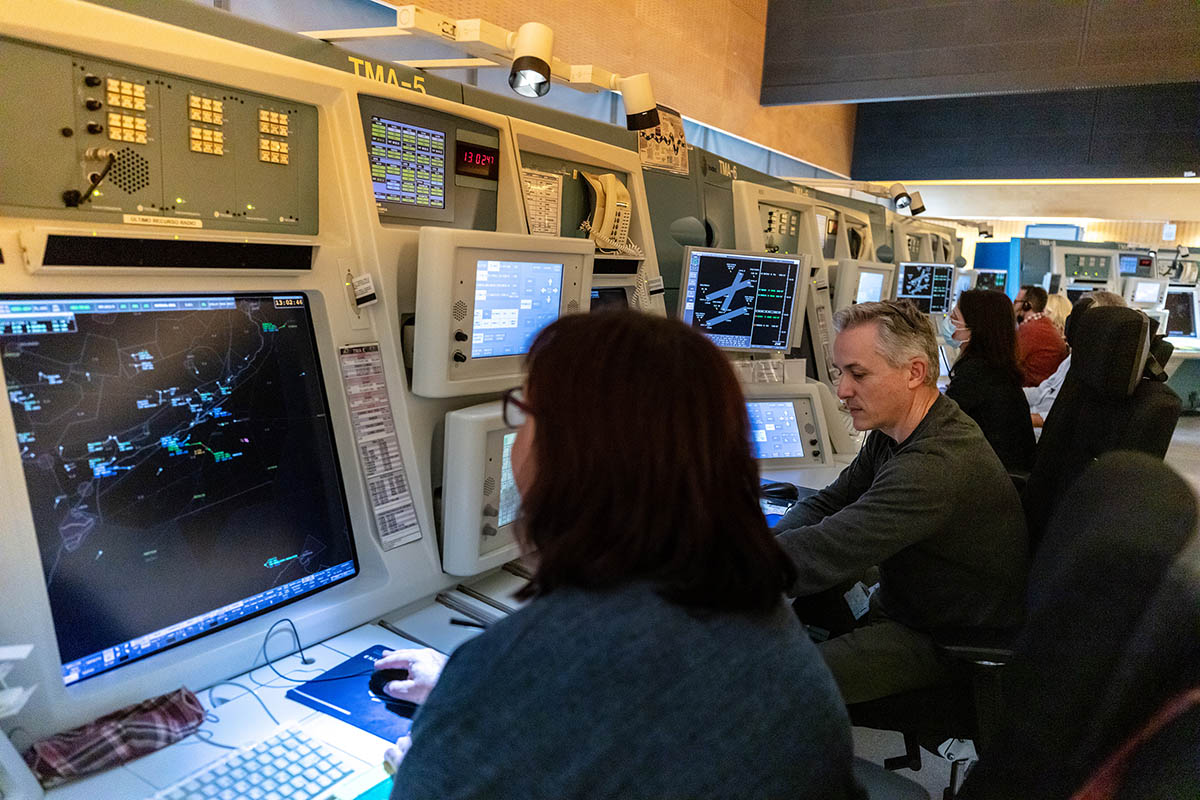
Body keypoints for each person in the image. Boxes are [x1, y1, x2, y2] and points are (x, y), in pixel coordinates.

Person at [376, 311, 863, 800]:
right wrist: (475, 697)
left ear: (570, 457)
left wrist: (452, 729)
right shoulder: (752, 602)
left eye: (524, 414)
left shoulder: (531, 661)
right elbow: (648, 719)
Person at [773, 300, 1027, 705]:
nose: (842, 390)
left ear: (914, 373)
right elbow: (827, 505)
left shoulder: (935, 465)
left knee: (767, 683)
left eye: (858, 374)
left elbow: (829, 548)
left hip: (940, 638)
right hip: (905, 598)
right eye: (840, 373)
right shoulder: (895, 431)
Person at [944, 289, 1036, 472]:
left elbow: (939, 425)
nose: (948, 323)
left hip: (988, 480)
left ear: (975, 327)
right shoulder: (999, 371)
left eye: (954, 317)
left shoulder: (975, 375)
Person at [1025, 290, 1126, 427]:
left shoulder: (1096, 369)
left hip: (1041, 433)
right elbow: (1041, 392)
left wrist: (1016, 418)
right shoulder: (1075, 357)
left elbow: (1058, 419)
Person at [1015, 285, 1070, 386]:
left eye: (1016, 302)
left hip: (1032, 390)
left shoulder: (1030, 330)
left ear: (1026, 305)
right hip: (1045, 389)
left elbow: (1010, 362)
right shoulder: (1045, 325)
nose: (1013, 306)